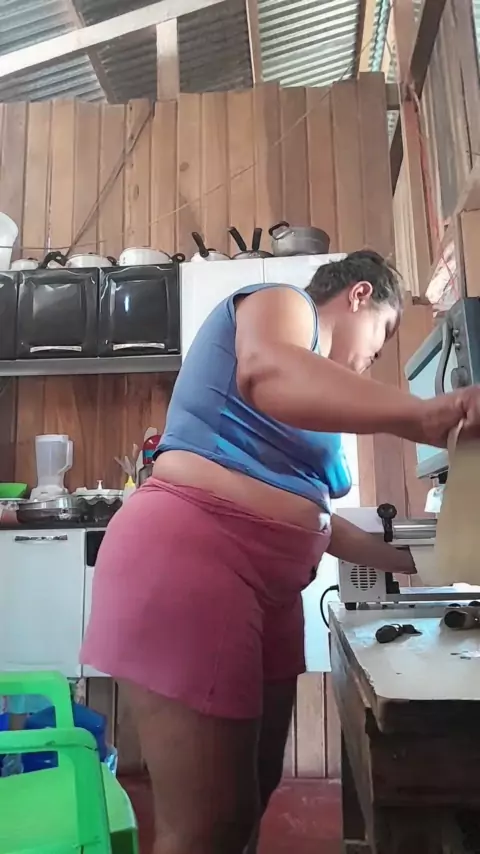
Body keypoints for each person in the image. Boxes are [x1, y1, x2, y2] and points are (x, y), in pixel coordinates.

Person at [81, 250, 480, 854]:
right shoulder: (281, 304)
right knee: (207, 827)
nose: (370, 361)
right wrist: (423, 416)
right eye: (380, 339)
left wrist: (428, 561)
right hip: (197, 555)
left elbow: (312, 517)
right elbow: (268, 370)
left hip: (266, 592)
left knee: (249, 800)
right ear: (359, 295)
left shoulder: (317, 399)